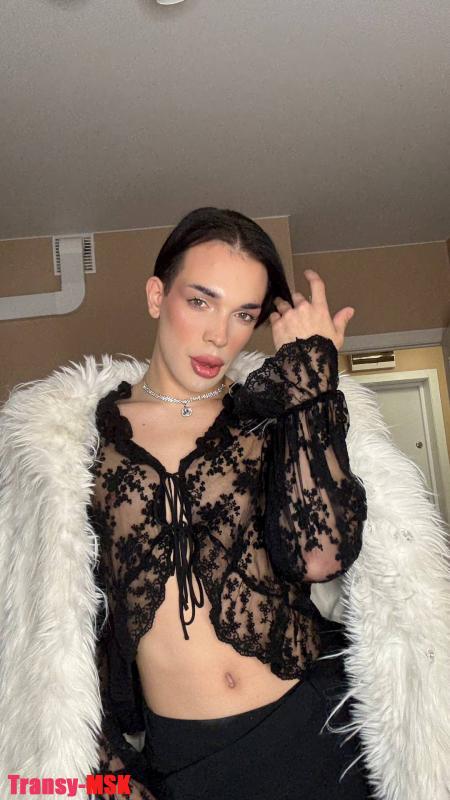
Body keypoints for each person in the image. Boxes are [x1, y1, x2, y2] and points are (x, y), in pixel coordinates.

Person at [0, 208, 449, 800]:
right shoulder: (73, 444)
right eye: (200, 301)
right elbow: (52, 631)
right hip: (186, 760)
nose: (220, 335)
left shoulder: (266, 415)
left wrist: (310, 380)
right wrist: (107, 771)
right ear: (157, 296)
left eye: (243, 314)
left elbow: (321, 556)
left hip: (317, 729)